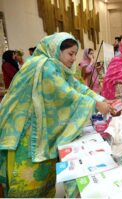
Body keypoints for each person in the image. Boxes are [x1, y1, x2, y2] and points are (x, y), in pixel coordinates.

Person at [0, 32, 111, 197]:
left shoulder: (58, 67)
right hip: (29, 132)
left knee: (45, 178)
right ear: (56, 50)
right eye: (70, 54)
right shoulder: (45, 66)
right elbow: (65, 94)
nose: (74, 58)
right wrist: (95, 104)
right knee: (29, 181)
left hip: (42, 128)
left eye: (75, 53)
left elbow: (77, 87)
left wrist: (102, 100)